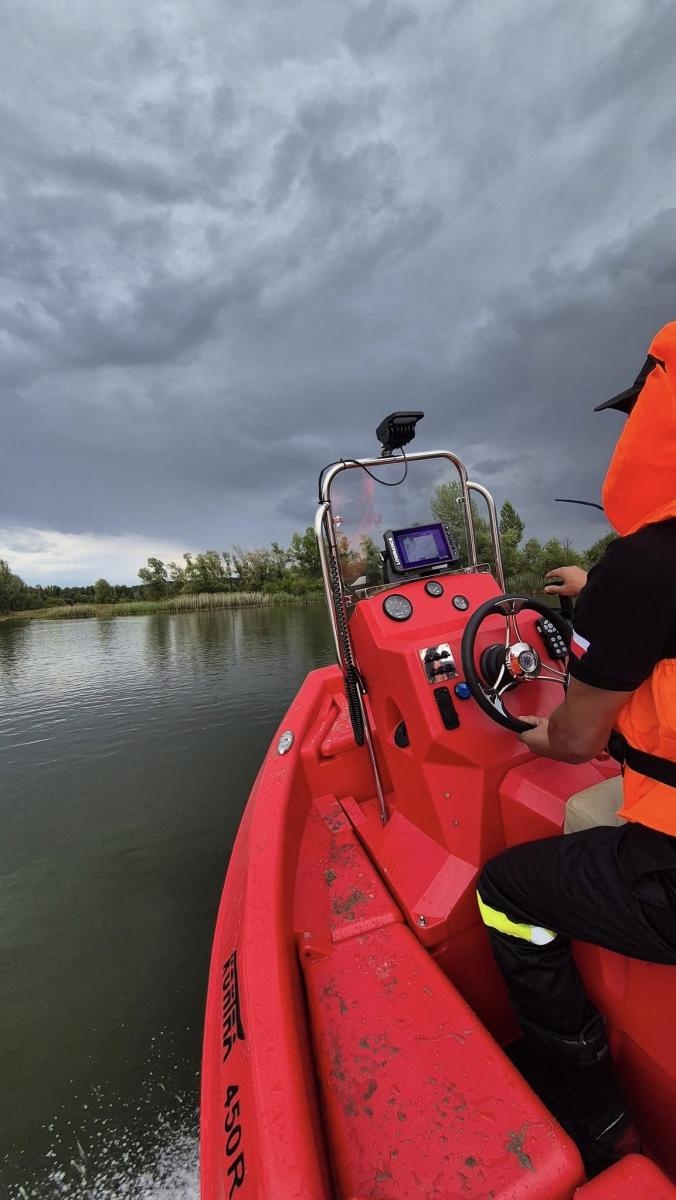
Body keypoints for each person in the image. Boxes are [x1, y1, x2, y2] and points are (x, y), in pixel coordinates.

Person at [476, 322, 676, 1176]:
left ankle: (593, 1116)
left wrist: (511, 720)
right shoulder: (639, 580)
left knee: (504, 891)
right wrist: (601, 596)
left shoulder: (653, 564)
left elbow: (573, 739)